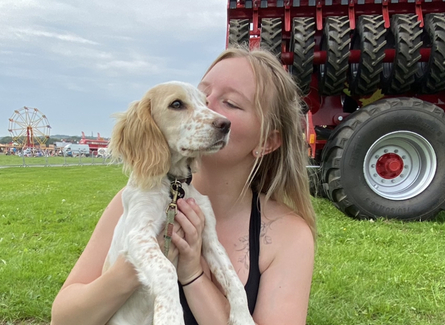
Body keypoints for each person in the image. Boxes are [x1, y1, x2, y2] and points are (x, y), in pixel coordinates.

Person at [51, 47, 317, 325]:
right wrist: (131, 269)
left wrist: (194, 276)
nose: (208, 110)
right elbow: (64, 320)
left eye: (231, 103)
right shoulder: (130, 199)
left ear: (266, 142)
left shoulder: (289, 235)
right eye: (200, 96)